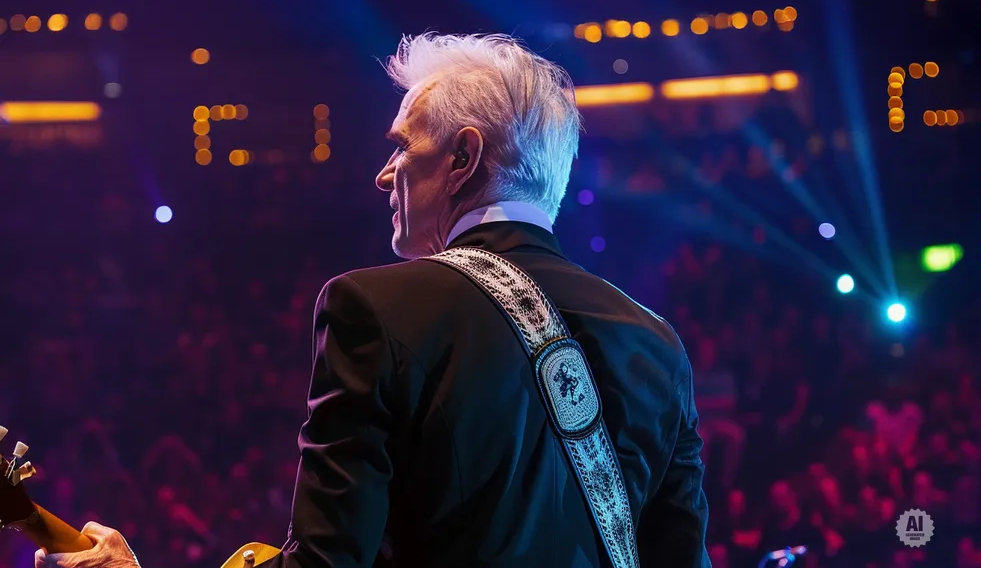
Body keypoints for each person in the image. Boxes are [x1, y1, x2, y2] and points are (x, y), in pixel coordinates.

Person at [35, 32, 709, 568]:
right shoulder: (656, 342)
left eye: (401, 147)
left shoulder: (376, 310)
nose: (383, 173)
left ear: (462, 157)